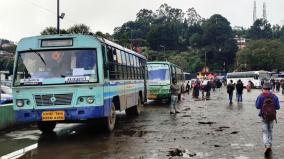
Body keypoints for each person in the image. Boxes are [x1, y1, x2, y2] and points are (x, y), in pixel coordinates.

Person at [256, 83, 280, 157]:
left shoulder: (260, 96)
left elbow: (257, 106)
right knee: (270, 130)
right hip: (272, 117)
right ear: (270, 89)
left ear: (263, 88)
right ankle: (269, 144)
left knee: (265, 131)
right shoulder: (274, 96)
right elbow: (278, 107)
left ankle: (267, 146)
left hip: (263, 116)